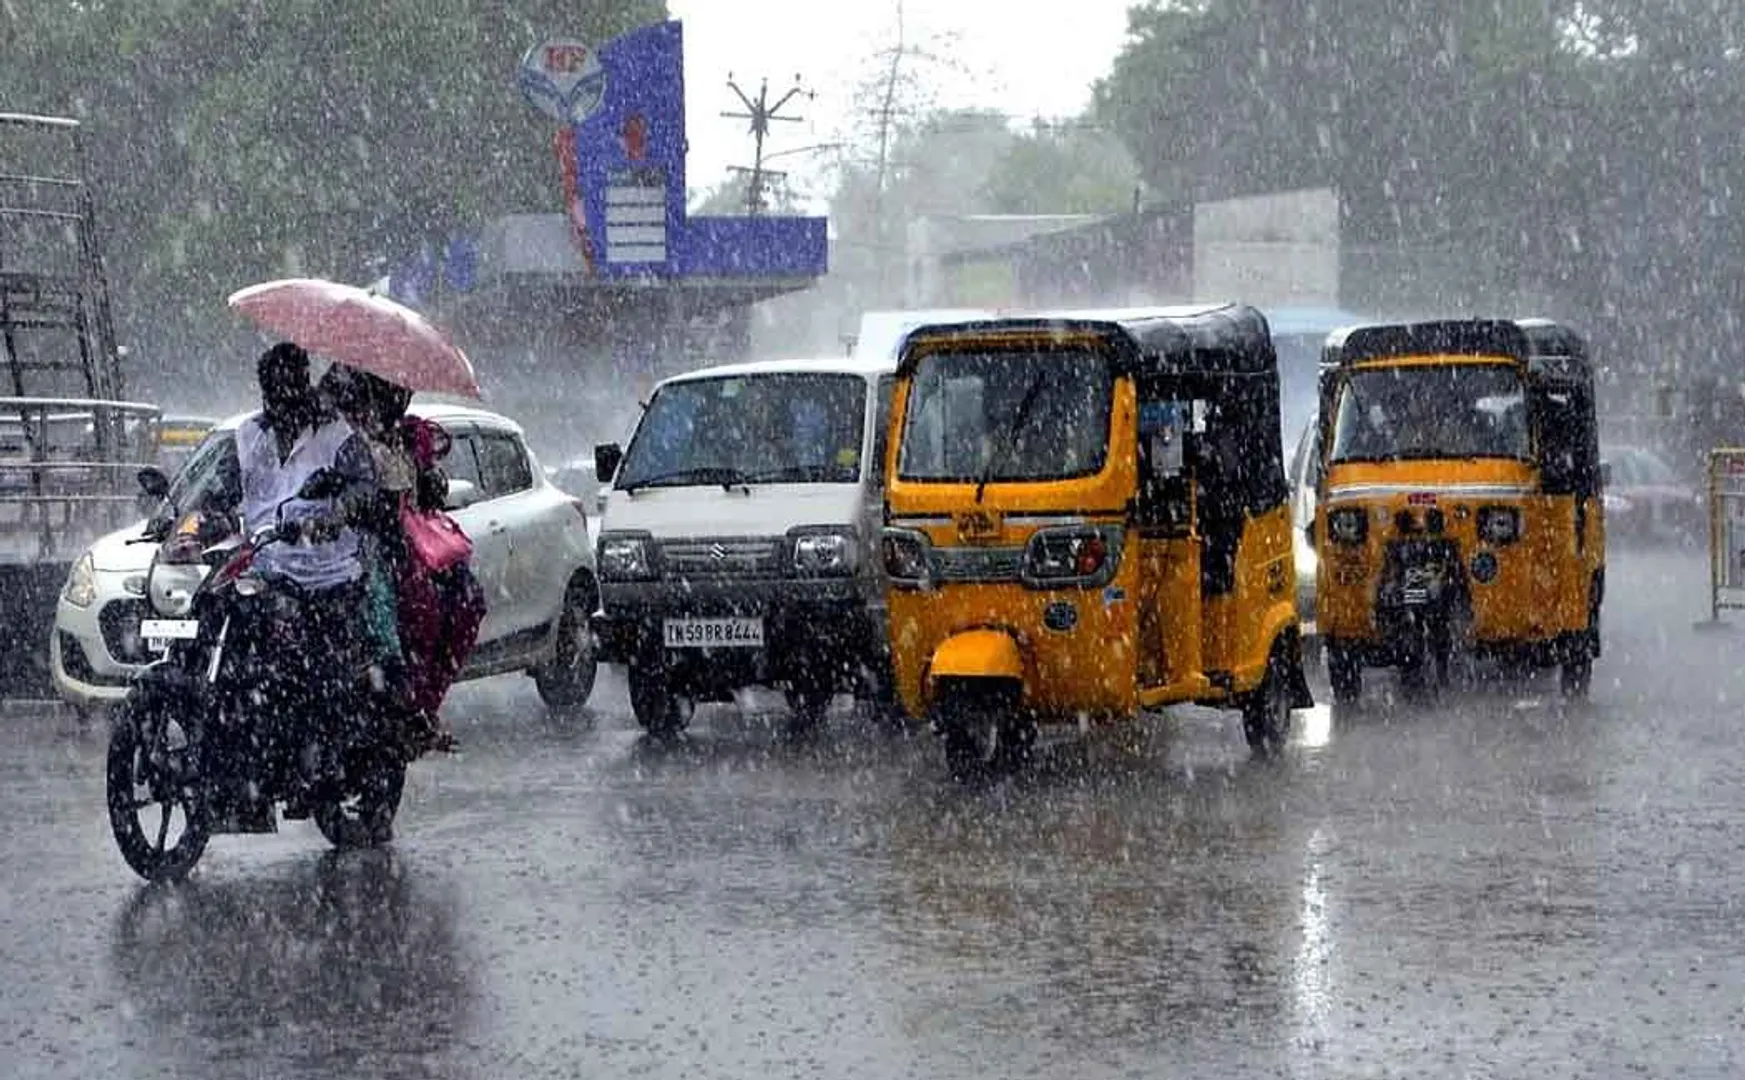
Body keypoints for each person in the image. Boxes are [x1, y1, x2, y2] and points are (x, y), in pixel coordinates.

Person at [215, 342, 379, 814]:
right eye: (272, 390)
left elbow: (365, 489)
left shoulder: (336, 436)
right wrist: (188, 524)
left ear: (302, 384)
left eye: (289, 386)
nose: (280, 400)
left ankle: (321, 766)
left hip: (327, 575)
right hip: (265, 569)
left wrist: (335, 515)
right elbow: (219, 492)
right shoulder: (248, 435)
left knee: (311, 673)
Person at [320, 363, 481, 756]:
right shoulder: (335, 437)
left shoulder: (405, 438)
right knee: (405, 617)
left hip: (402, 546)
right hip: (358, 549)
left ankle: (418, 705)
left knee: (462, 601)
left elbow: (420, 492)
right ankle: (406, 704)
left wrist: (426, 481)